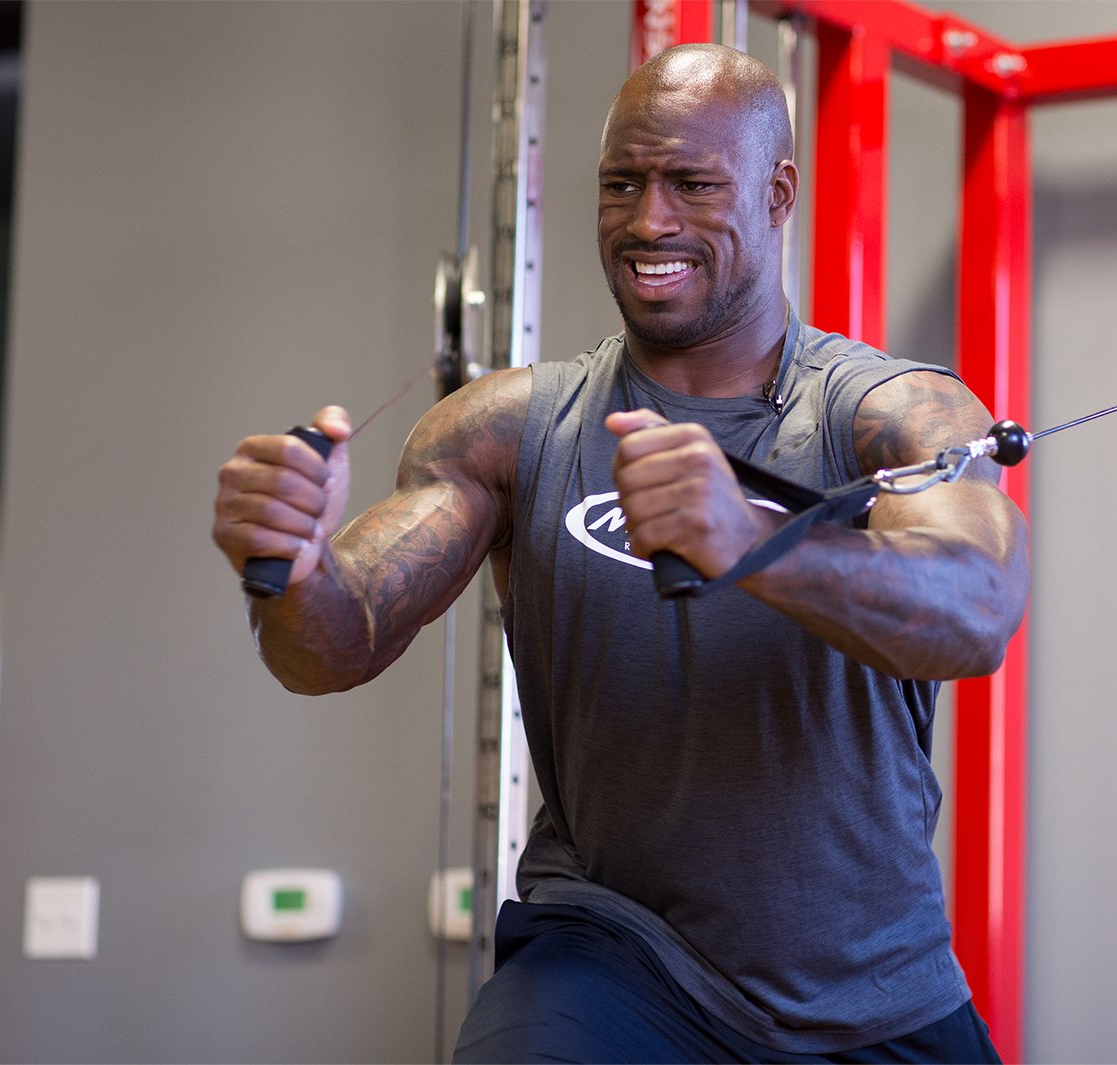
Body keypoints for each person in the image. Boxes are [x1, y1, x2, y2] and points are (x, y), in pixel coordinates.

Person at [213, 43, 1028, 1064]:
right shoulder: (509, 430)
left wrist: (751, 544)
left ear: (779, 193)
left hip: (873, 990)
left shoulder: (888, 415)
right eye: (622, 184)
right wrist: (294, 567)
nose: (649, 223)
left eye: (691, 184)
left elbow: (979, 608)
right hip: (616, 958)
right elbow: (330, 647)